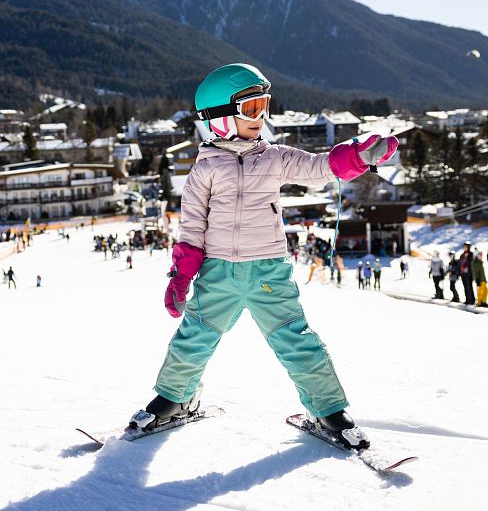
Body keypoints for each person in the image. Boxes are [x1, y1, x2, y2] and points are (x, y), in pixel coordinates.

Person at [127, 63, 398, 450]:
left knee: (296, 339)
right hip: (218, 271)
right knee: (194, 337)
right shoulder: (203, 171)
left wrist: (360, 156)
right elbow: (191, 232)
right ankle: (174, 398)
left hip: (268, 269)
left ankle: (328, 410)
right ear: (220, 118)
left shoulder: (274, 157)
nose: (261, 116)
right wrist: (180, 277)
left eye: (263, 105)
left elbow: (320, 167)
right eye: (251, 108)